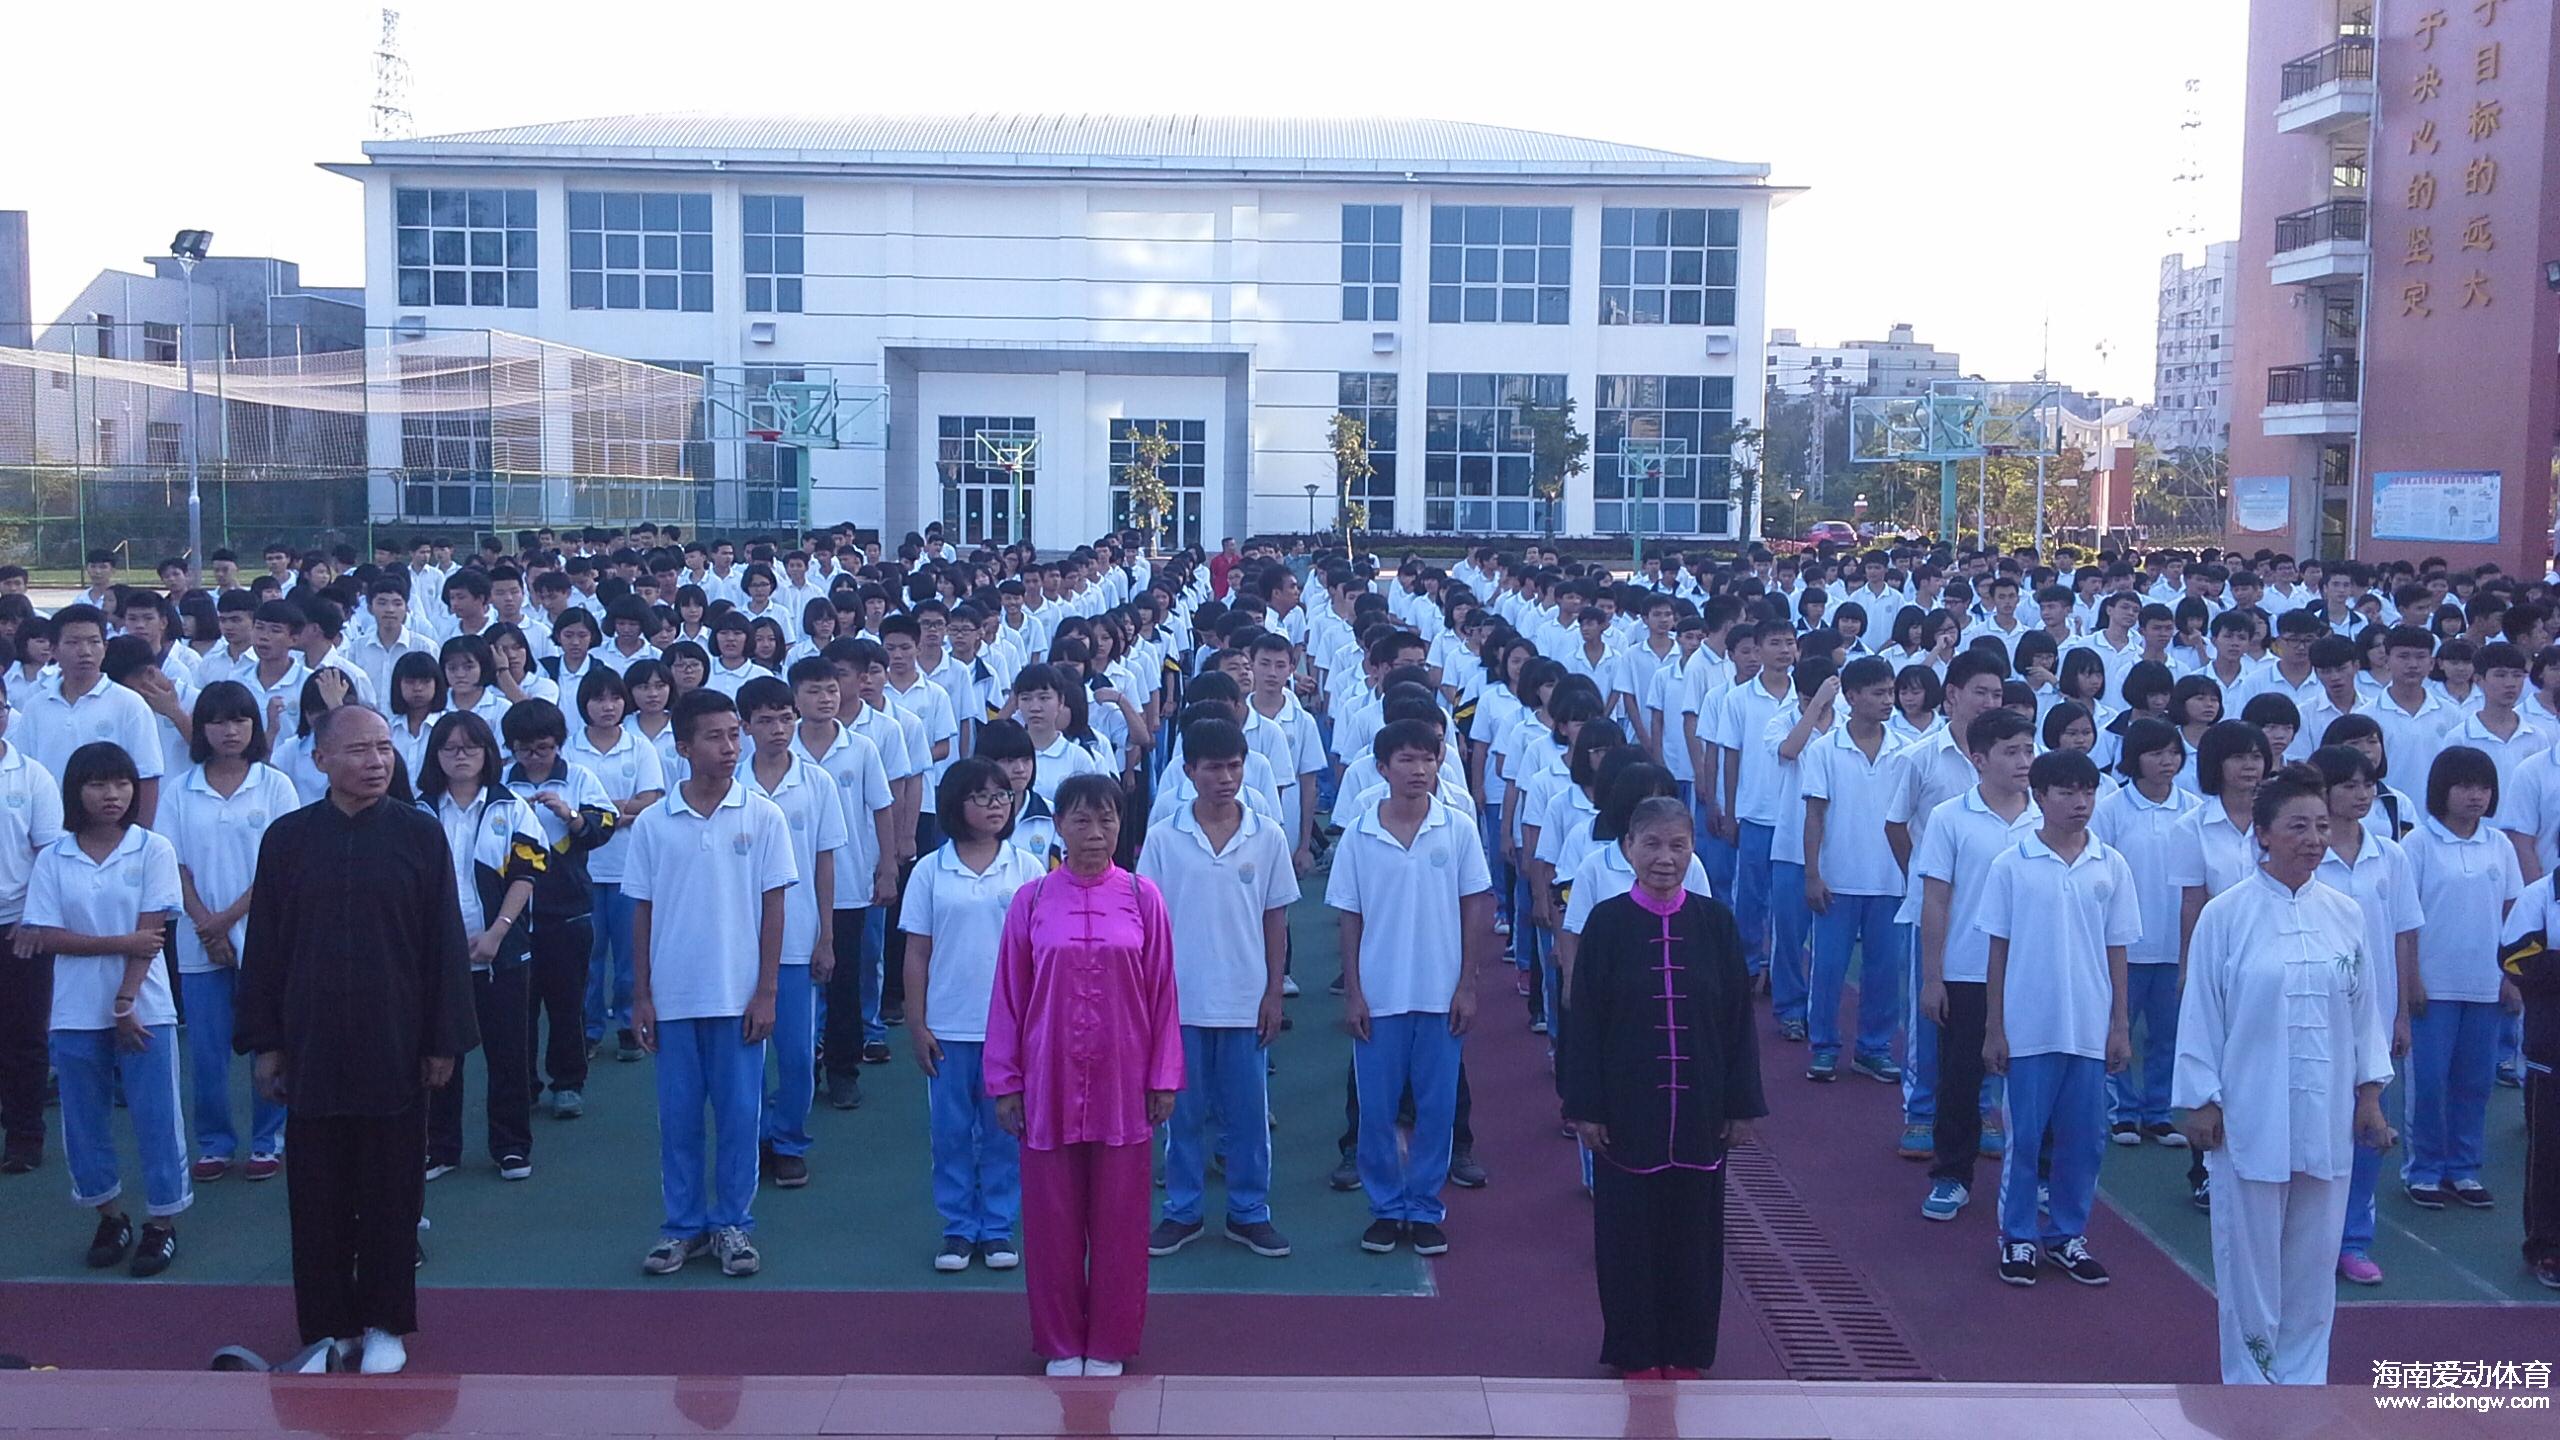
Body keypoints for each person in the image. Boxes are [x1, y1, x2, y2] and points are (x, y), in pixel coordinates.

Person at [237, 705, 478, 1376]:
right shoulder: (287, 840)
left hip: (397, 1039)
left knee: (392, 1192)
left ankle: (384, 1323)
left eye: (384, 749)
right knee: (315, 1195)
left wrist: (442, 1042)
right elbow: (267, 948)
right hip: (311, 1043)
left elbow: (443, 947)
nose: (376, 762)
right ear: (320, 760)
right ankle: (327, 1328)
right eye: (358, 750)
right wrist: (267, 1042)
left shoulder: (419, 835)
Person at [2175, 763, 2396, 1385]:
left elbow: (2363, 1011)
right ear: (2263, 835)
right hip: (2249, 1111)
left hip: (2326, 1115)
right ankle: (2251, 1384)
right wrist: (2203, 1100)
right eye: (2297, 825)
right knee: (2249, 1263)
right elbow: (2202, 1012)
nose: (2313, 839)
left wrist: (2370, 1097)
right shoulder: (2226, 915)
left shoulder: (2345, 913)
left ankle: (2303, 1385)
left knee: (2311, 1259)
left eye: (2321, 826)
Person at [987, 773, 1181, 1378]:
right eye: (1080, 820)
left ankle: (1111, 1340)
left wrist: (1163, 1077)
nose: (1094, 834)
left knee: (1122, 1220)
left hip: (1127, 1081)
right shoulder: (1032, 900)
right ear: (1058, 827)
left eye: (1106, 821)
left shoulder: (1144, 897)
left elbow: (1163, 993)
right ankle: (1061, 1341)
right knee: (1051, 1222)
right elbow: (1009, 996)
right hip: (1047, 1080)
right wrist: (1006, 1080)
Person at [1562, 795, 1763, 1379]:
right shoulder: (1606, 922)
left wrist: (1742, 1104)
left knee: (1695, 1238)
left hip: (1700, 1108)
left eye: (1678, 845)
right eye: (1651, 844)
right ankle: (1634, 1348)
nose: (1664, 858)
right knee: (1627, 1238)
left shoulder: (1715, 923)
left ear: (1693, 849)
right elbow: (1585, 1022)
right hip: (1626, 1109)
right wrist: (1585, 1107)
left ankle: (1688, 1348)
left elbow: (1735, 1021)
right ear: (1628, 849)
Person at [626, 688, 793, 1279]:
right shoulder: (653, 823)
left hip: (737, 996)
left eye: (734, 735)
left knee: (740, 1115)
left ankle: (733, 1226)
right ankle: (682, 1227)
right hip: (672, 999)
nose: (731, 747)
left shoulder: (763, 815)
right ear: (683, 747)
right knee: (678, 1120)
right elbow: (640, 912)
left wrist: (767, 990)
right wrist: (642, 994)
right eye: (716, 736)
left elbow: (775, 909)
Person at [16, 741, 188, 1276]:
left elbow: (152, 933)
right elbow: (46, 935)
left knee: (157, 1119)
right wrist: (119, 944)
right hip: (72, 1010)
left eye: (121, 784)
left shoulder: (151, 849)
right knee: (83, 1122)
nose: (111, 795)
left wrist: (124, 1000)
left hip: (145, 1007)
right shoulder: (54, 857)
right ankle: (110, 1216)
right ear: (77, 792)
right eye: (97, 784)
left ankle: (161, 1226)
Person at [1328, 719, 1495, 1258]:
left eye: (1428, 758)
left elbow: (1475, 905)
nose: (1418, 769)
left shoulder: (1458, 828)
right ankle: (1384, 1208)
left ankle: (1423, 1207)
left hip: (1439, 991)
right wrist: (1353, 991)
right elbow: (1348, 917)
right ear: (1382, 769)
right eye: (1405, 760)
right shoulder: (1360, 833)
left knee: (1437, 1108)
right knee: (1376, 1111)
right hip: (1379, 995)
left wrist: (1467, 984)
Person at [1139, 717, 1300, 1260]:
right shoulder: (1164, 840)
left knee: (1248, 1115)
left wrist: (1274, 992)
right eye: (1213, 768)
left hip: (1244, 998)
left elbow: (1276, 921)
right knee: (1180, 1114)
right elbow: (1149, 925)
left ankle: (1249, 1212)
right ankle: (1182, 1212)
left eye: (1234, 766)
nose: (1226, 778)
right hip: (1180, 1000)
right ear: (1189, 772)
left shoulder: (1268, 835)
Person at [1976, 748, 2137, 1287]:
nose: (2080, 803)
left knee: (2085, 1140)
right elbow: (1997, 950)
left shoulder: (2110, 864)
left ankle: (2067, 1235)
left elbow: (2118, 950)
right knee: (2025, 1140)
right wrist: (1994, 1027)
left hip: (2088, 1030)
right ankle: (2017, 1238)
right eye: (2066, 792)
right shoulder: (2012, 863)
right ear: (2039, 797)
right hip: (2028, 1029)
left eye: (2087, 792)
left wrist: (2118, 1025)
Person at [903, 756, 1044, 1272]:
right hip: (948, 1024)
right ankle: (959, 1228)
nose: (995, 806)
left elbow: (1040, 953)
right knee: (951, 1132)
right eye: (982, 796)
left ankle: (998, 1226)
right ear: (955, 804)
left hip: (1011, 1028)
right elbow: (916, 953)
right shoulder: (929, 870)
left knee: (1006, 1128)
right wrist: (917, 1024)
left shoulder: (1027, 867)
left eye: (1002, 796)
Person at [162, 681, 301, 1182]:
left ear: (254, 727)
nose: (230, 730)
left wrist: (226, 920)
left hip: (264, 938)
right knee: (207, 1052)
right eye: (219, 721)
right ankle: (215, 1143)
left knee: (270, 1044)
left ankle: (269, 1140)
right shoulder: (181, 789)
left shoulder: (274, 785)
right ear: (202, 729)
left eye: (240, 720)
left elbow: (280, 868)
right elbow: (174, 866)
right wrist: (205, 924)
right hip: (198, 945)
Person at [1911, 709, 2040, 1220]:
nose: (2024, 761)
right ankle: (1951, 1175)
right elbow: (1936, 900)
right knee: (1960, 1079)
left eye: (2029, 750)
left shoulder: (2045, 817)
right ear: (1979, 758)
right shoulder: (1950, 818)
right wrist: (1931, 977)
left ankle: (2038, 1178)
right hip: (1967, 970)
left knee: (2034, 1083)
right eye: (2012, 751)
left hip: (2033, 971)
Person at [418, 711, 546, 1183]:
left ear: (489, 753)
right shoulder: (418, 810)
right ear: (436, 756)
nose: (460, 756)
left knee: (508, 1053)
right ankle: (440, 1147)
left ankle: (511, 1146)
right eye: (450, 748)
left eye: (470, 747)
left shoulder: (510, 807)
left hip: (501, 954)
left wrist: (497, 933)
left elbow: (525, 875)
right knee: (439, 1053)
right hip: (434, 956)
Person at [2398, 744, 2521, 1212]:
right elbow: (2405, 923)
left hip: (2485, 986)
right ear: (2441, 789)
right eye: (2466, 786)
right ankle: (2424, 1170)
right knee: (2429, 1083)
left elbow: (2512, 915)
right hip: (2434, 987)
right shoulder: (2419, 845)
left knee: (2475, 1083)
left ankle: (2463, 1169)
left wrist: (2512, 978)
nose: (2476, 796)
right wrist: (2411, 980)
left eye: (2484, 787)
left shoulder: (2499, 845)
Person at [736, 677, 846, 1189]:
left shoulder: (816, 782)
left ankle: (789, 1139)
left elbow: (825, 862)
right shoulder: (731, 782)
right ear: (746, 726)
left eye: (786, 719)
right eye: (765, 721)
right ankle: (753, 1136)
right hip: (737, 940)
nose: (778, 730)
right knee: (745, 1049)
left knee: (798, 1053)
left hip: (799, 936)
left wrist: (826, 935)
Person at [499, 699, 621, 1120]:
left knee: (566, 1004)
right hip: (512, 914)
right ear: (512, 747)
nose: (534, 757)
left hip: (567, 909)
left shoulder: (579, 777)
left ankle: (568, 1083)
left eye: (544, 748)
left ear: (559, 745)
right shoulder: (499, 782)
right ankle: (522, 1084)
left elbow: (605, 824)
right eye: (525, 749)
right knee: (518, 1007)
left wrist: (568, 816)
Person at [565, 669, 666, 1064]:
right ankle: (588, 1030)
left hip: (629, 866)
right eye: (597, 699)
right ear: (584, 704)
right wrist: (619, 809)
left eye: (614, 698)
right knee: (588, 956)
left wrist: (599, 811)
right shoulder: (571, 750)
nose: (607, 707)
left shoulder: (640, 747)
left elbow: (651, 800)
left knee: (629, 956)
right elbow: (571, 805)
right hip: (584, 867)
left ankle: (628, 1025)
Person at [0, 674, 66, 1176]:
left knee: (24, 1037)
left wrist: (32, 920)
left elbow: (48, 856)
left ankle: (24, 1136)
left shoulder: (32, 777)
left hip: (18, 927)